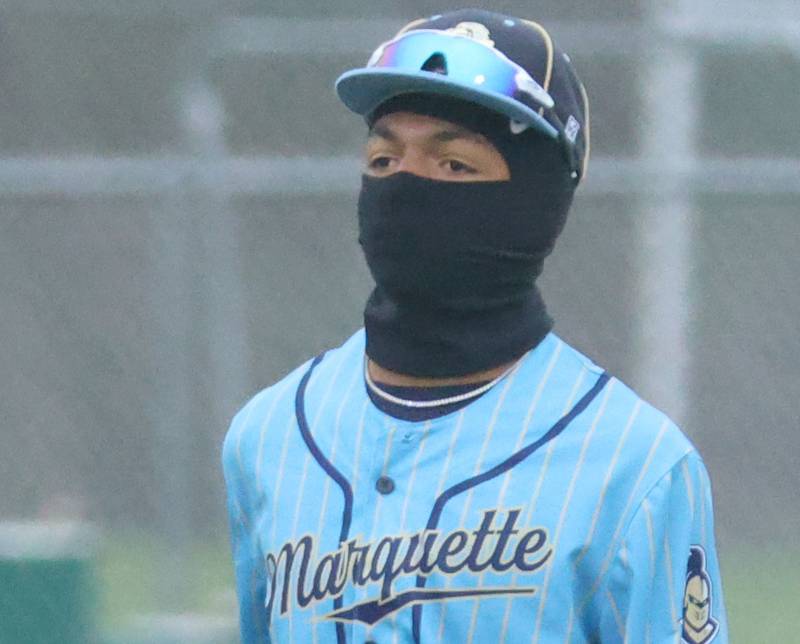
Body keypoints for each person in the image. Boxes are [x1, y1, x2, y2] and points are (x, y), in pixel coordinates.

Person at [222, 9, 728, 643]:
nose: (407, 184)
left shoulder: (639, 466)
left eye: (455, 165)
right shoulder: (268, 438)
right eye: (383, 159)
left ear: (535, 201)